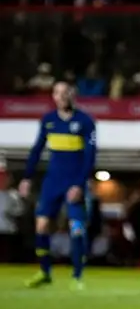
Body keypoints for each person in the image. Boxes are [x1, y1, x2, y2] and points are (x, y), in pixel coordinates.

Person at [21, 82, 96, 289]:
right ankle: (45, 272)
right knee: (42, 225)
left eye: (66, 92)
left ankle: (77, 276)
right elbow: (37, 149)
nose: (62, 96)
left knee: (77, 229)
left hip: (74, 183)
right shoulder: (48, 121)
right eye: (58, 93)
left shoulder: (85, 121)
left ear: (73, 95)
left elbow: (90, 157)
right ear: (53, 96)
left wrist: (80, 185)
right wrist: (27, 177)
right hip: (52, 182)